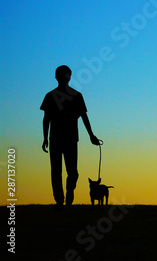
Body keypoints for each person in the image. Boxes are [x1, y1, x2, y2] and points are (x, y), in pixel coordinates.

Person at [40, 65, 100, 210]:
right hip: (60, 138)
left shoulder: (75, 96)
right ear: (69, 76)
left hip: (67, 138)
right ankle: (60, 200)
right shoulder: (52, 96)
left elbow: (84, 117)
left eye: (58, 74)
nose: (57, 76)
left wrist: (91, 135)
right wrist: (45, 138)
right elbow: (46, 118)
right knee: (59, 170)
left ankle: (68, 192)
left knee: (68, 171)